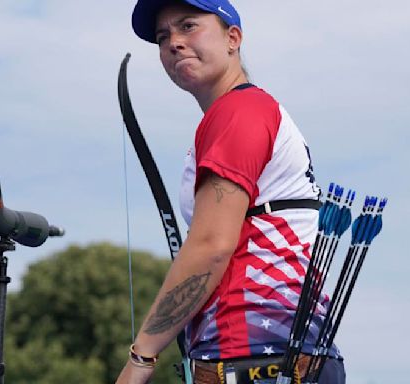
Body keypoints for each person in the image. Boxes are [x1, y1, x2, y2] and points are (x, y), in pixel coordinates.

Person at [116, 0, 346, 383]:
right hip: (283, 354)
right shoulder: (247, 112)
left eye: (188, 26)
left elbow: (211, 245)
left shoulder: (240, 111)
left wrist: (141, 359)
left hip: (254, 355)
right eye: (162, 36)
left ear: (232, 38)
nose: (173, 42)